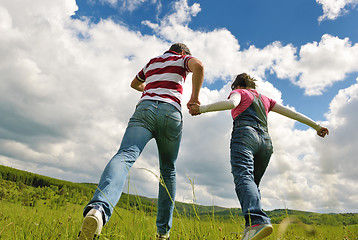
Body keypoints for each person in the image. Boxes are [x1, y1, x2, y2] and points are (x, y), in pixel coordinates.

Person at [78, 43, 204, 240]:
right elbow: (199, 66)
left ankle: (98, 209)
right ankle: (163, 233)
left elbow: (134, 84)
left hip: (144, 109)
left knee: (125, 155)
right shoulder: (182, 59)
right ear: (182, 52)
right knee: (168, 170)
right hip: (171, 112)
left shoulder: (152, 62)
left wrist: (150, 90)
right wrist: (194, 99)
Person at [188, 73, 329, 240]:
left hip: (245, 134)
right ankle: (251, 228)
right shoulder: (266, 99)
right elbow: (293, 114)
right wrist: (317, 126)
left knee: (244, 178)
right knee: (252, 185)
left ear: (237, 86)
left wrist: (201, 109)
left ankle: (257, 221)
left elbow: (231, 103)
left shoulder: (239, 93)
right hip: (266, 142)